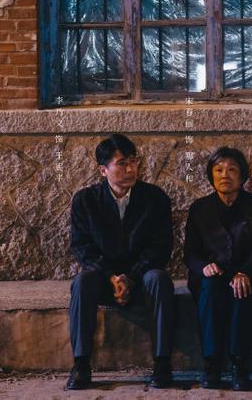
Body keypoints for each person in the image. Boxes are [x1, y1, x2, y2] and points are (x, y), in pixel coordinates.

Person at [66, 133, 175, 390]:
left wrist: (131, 277)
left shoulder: (155, 198)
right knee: (82, 281)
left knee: (160, 279)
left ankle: (162, 363)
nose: (130, 169)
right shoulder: (85, 201)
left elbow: (160, 247)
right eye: (122, 163)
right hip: (104, 279)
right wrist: (112, 277)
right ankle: (81, 364)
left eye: (133, 162)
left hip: (141, 278)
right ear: (103, 170)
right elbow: (82, 247)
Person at [183, 147, 252, 391]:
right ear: (211, 175)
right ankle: (211, 363)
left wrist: (245, 272)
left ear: (242, 176)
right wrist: (204, 267)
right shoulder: (199, 208)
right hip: (213, 274)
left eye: (232, 170)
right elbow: (190, 252)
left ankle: (240, 363)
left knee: (243, 289)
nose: (225, 175)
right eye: (218, 170)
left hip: (250, 271)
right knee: (210, 287)